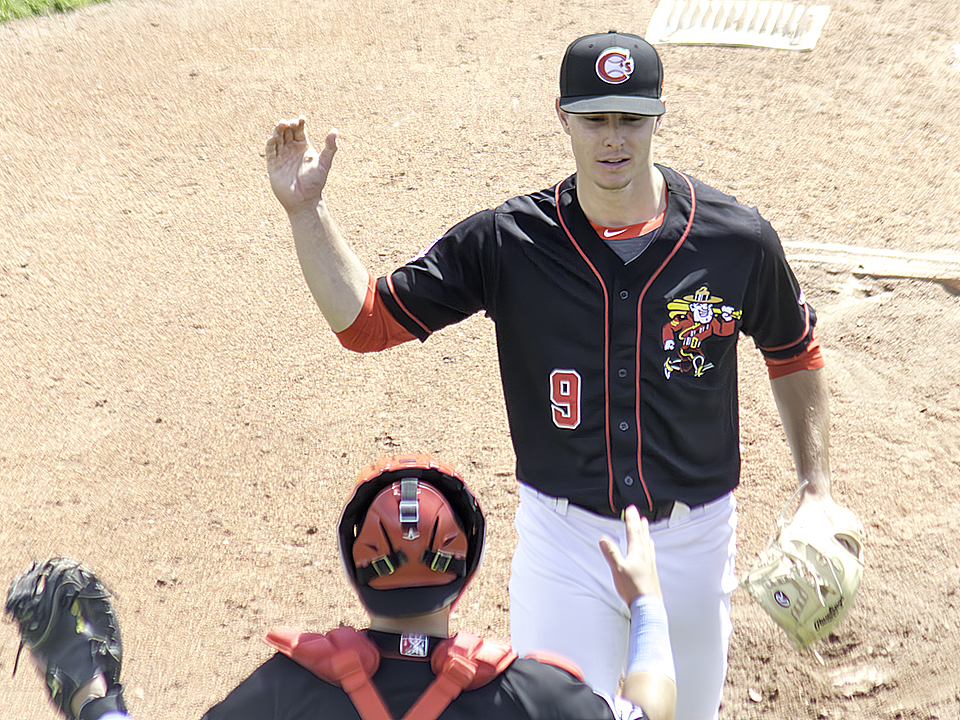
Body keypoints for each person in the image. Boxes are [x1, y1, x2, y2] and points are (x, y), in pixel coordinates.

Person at [265, 31, 855, 720]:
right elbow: (366, 323)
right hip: (565, 545)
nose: (614, 138)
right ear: (563, 117)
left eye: (631, 118)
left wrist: (816, 488)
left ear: (659, 116)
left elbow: (793, 350)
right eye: (595, 118)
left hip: (693, 543)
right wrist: (307, 213)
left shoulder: (735, 241)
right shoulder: (509, 242)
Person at [6, 454, 676, 720]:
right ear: (465, 573)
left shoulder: (286, 690)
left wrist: (97, 701)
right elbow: (653, 709)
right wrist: (645, 603)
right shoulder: (532, 696)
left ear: (358, 574)